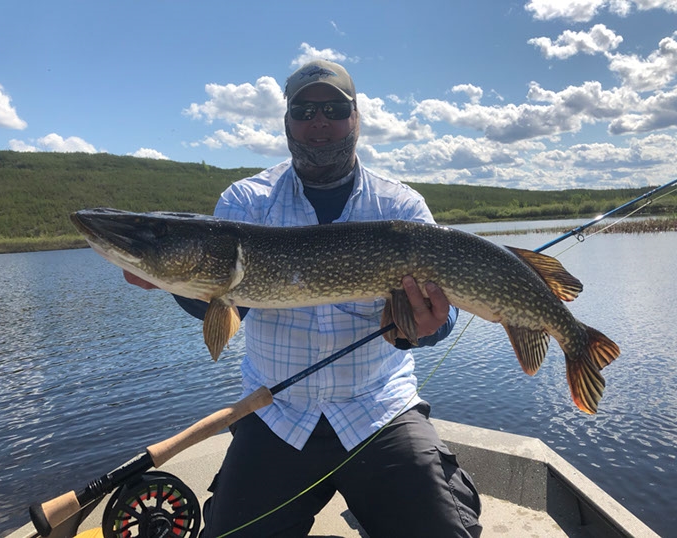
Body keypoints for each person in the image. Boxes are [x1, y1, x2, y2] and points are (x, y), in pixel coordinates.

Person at [125, 60, 482, 538]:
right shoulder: (247, 201)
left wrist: (428, 325)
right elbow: (223, 301)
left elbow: (442, 317)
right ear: (287, 120)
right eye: (305, 110)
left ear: (356, 118)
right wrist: (171, 280)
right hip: (277, 414)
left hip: (378, 411)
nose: (319, 122)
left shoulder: (400, 206)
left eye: (334, 109)